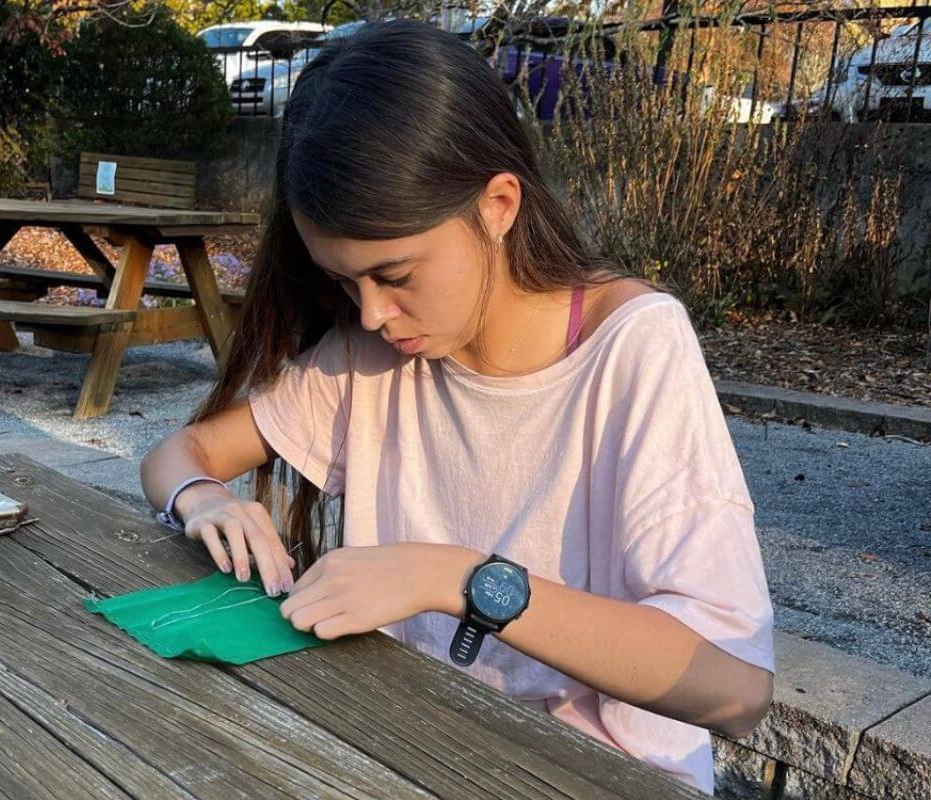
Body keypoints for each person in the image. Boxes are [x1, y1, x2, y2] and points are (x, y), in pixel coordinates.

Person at [140, 19, 773, 794]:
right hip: (418, 752)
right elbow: (180, 454)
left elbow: (735, 691)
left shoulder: (631, 348)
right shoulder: (373, 357)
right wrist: (201, 498)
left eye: (395, 273)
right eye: (344, 283)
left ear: (499, 204)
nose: (371, 313)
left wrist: (461, 579)